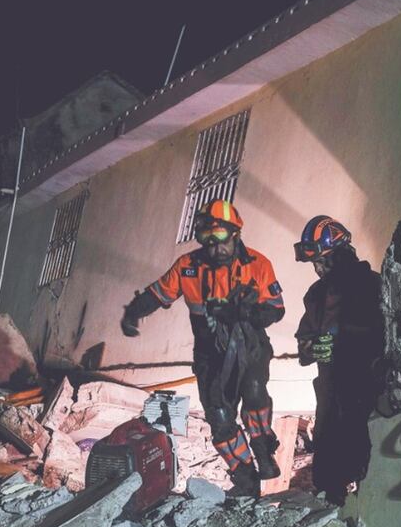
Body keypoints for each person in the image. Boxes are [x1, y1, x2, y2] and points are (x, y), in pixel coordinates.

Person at [121, 199, 285, 497]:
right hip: (210, 355)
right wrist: (133, 312)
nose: (214, 247)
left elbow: (277, 310)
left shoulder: (257, 265)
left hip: (251, 347)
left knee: (254, 394)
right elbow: (157, 294)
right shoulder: (188, 267)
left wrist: (247, 311)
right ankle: (246, 480)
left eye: (220, 237)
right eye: (206, 238)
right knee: (220, 419)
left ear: (235, 233)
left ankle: (263, 450)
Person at [294, 215, 384, 505]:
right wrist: (319, 348)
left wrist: (350, 344)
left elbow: (389, 335)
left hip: (367, 389)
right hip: (331, 394)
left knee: (370, 458)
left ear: (341, 253)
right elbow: (304, 346)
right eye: (314, 263)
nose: (317, 269)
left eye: (322, 260)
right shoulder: (316, 295)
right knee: (327, 468)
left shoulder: (374, 286)